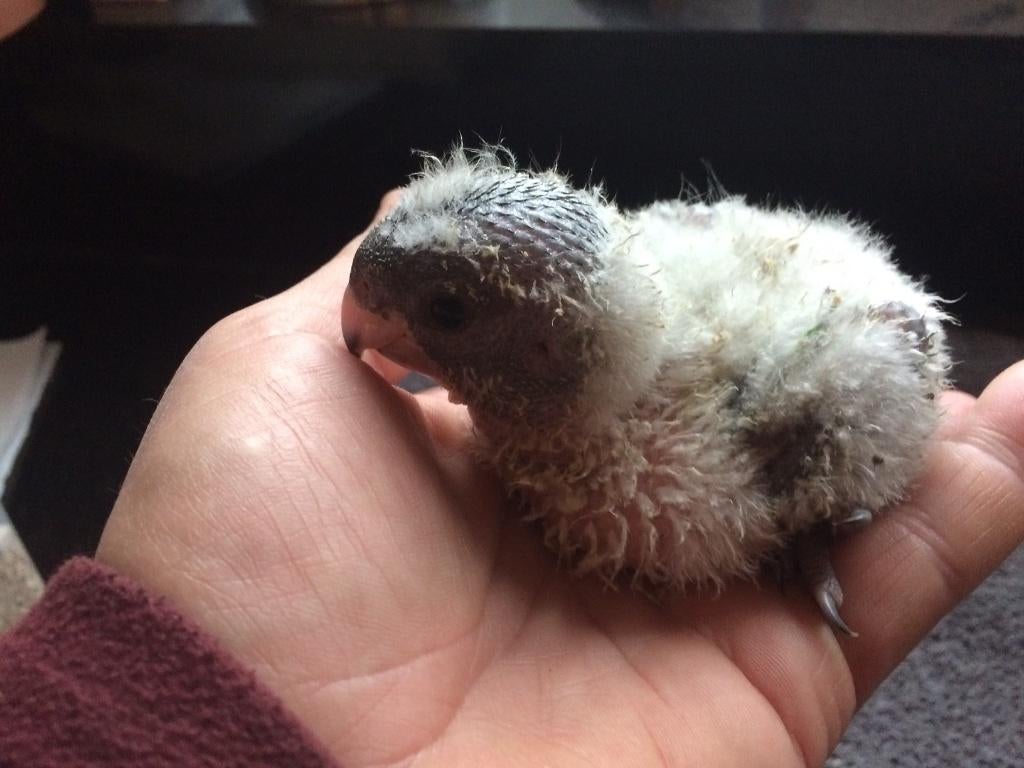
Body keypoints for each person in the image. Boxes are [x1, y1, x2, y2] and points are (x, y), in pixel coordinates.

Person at [2, 192, 1023, 767]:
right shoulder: (573, 403)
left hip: (818, 354)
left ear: (552, 351)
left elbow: (876, 342)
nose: (362, 336)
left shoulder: (756, 426)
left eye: (440, 318)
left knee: (851, 424)